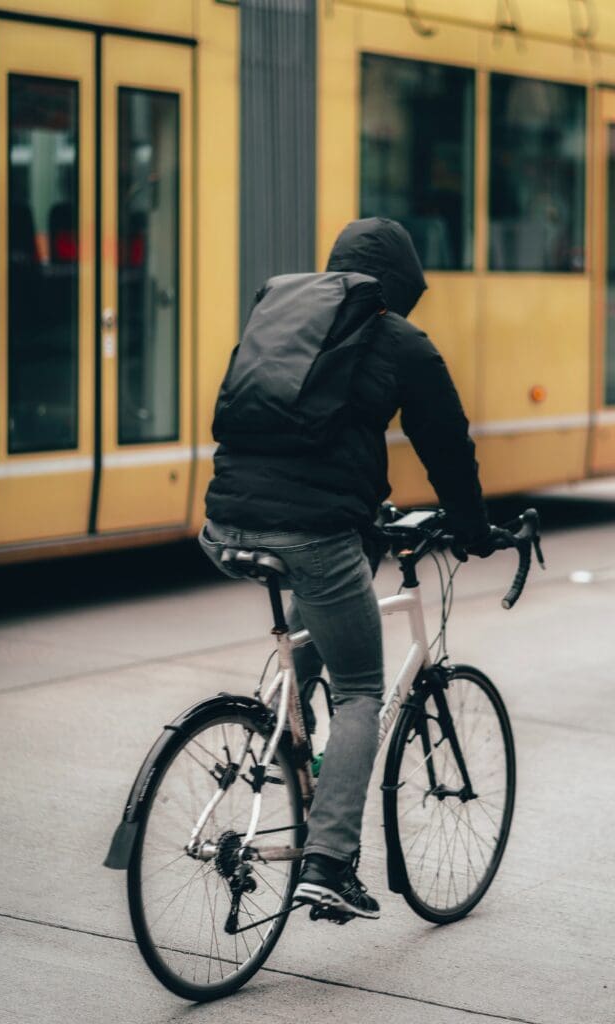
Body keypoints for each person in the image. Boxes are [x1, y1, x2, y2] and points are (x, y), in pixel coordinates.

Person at [200, 217, 494, 919]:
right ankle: (328, 864)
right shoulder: (399, 342)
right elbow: (446, 446)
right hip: (311, 532)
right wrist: (474, 529)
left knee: (314, 628)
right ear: (401, 285)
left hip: (222, 523)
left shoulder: (286, 321)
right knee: (362, 687)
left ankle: (266, 739)